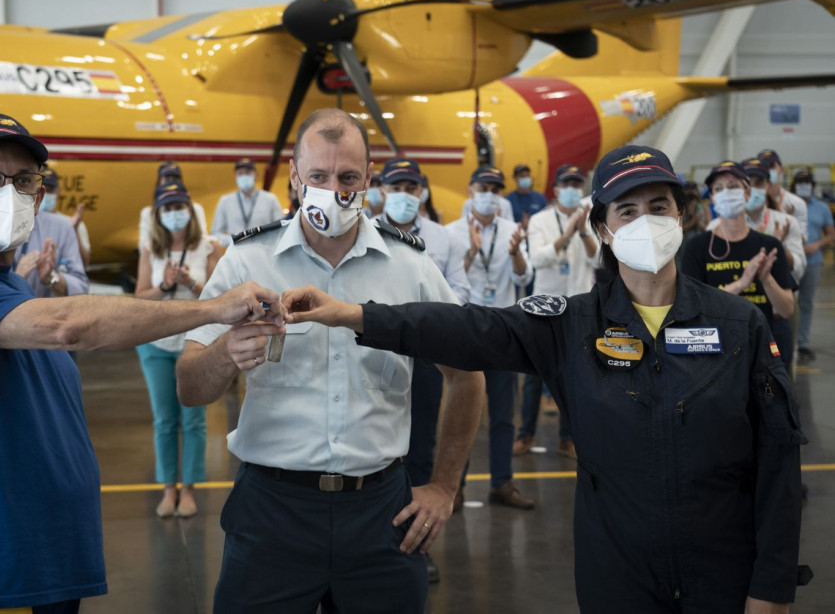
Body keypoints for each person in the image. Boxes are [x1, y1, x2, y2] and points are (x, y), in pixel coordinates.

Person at [283, 144, 807, 614]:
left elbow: (780, 466)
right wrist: (355, 314)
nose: (645, 222)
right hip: (619, 580)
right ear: (603, 229)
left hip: (724, 577)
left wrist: (773, 589)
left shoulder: (739, 324)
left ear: (682, 216)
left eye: (658, 207)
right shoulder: (571, 324)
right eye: (627, 210)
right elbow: (470, 328)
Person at [0, 113, 285, 614]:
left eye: (24, 181)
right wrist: (215, 309)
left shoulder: (12, 287)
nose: (9, 192)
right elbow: (70, 325)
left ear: (40, 198)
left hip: (43, 560)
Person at [176, 108, 485, 613]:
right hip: (271, 511)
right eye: (317, 176)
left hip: (382, 514)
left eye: (346, 177)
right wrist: (226, 354)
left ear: (368, 181)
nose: (332, 188)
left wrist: (445, 488)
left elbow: (467, 375)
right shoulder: (247, 261)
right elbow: (190, 387)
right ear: (295, 178)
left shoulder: (411, 267)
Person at [376, 156, 470, 582]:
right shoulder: (363, 232)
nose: (404, 196)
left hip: (429, 353)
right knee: (375, 440)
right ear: (382, 191)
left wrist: (438, 313)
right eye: (396, 188)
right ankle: (368, 537)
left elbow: (460, 285)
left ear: (423, 192)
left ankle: (414, 542)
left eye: (411, 188)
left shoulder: (442, 238)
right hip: (377, 351)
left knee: (419, 447)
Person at [447, 164, 535, 509]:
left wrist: (514, 252)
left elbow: (524, 276)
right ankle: (455, 487)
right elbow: (448, 284)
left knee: (502, 414)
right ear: (470, 191)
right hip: (466, 329)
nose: (488, 195)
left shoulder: (513, 230)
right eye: (483, 188)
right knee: (461, 412)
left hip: (502, 328)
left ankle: (502, 483)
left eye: (495, 190)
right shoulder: (451, 233)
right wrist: (470, 251)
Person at [135, 180, 222, 518]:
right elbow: (141, 296)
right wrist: (166, 286)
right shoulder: (150, 248)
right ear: (159, 214)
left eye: (179, 206)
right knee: (165, 420)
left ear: (190, 209)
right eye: (168, 208)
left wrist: (189, 283)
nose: (175, 213)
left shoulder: (208, 247)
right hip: (156, 343)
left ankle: (189, 490)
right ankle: (168, 489)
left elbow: (218, 299)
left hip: (195, 341)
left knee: (194, 419)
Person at [515, 165, 597, 459]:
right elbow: (537, 258)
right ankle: (525, 434)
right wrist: (566, 236)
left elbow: (598, 259)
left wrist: (583, 230)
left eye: (578, 183)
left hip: (578, 307)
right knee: (535, 375)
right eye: (568, 184)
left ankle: (568, 438)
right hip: (544, 308)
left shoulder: (590, 217)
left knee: (573, 376)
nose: (574, 188)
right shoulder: (540, 220)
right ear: (557, 189)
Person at [681, 161, 795, 367]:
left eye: (733, 187)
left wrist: (766, 279)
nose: (726, 193)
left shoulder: (768, 245)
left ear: (747, 193)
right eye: (718, 189)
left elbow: (786, 309)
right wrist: (741, 283)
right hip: (716, 353)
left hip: (761, 350)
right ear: (713, 199)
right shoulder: (697, 247)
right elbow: (693, 308)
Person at [13, 177, 90, 299]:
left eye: (51, 190)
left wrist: (50, 277)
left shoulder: (64, 226)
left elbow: (81, 286)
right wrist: (16, 279)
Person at [734, 157, 805, 283]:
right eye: (747, 184)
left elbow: (798, 270)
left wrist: (778, 247)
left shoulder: (787, 222)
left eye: (759, 183)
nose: (753, 189)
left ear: (768, 186)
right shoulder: (721, 226)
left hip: (778, 297)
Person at [791, 167, 834, 361]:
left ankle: (802, 343)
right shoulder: (789, 205)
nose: (804, 187)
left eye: (807, 183)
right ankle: (788, 341)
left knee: (806, 303)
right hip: (791, 260)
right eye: (800, 183)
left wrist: (816, 245)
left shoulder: (822, 208)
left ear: (813, 186)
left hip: (813, 261)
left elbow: (831, 234)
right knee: (789, 302)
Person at [210, 157, 283, 246]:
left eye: (248, 173)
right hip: (236, 254)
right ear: (235, 176)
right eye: (240, 173)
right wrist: (234, 239)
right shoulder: (225, 201)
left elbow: (281, 229)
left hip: (264, 252)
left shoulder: (270, 199)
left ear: (256, 175)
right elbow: (215, 234)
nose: (244, 176)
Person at [139, 162, 208, 251]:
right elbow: (143, 246)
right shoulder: (148, 213)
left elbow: (202, 238)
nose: (171, 181)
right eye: (167, 178)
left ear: (189, 209)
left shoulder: (196, 209)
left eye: (176, 178)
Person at [39, 165, 92, 267]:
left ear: (58, 193)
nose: (45, 193)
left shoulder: (71, 222)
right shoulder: (27, 222)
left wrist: (74, 230)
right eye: (42, 189)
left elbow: (85, 263)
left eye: (50, 190)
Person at [757, 149, 808, 236]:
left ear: (781, 169)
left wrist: (791, 223)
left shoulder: (796, 203)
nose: (767, 171)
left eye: (771, 166)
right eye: (764, 167)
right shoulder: (751, 201)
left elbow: (801, 241)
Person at [504, 163, 547, 230]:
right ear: (515, 178)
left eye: (527, 175)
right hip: (516, 235)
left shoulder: (540, 198)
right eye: (522, 176)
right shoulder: (508, 200)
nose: (525, 178)